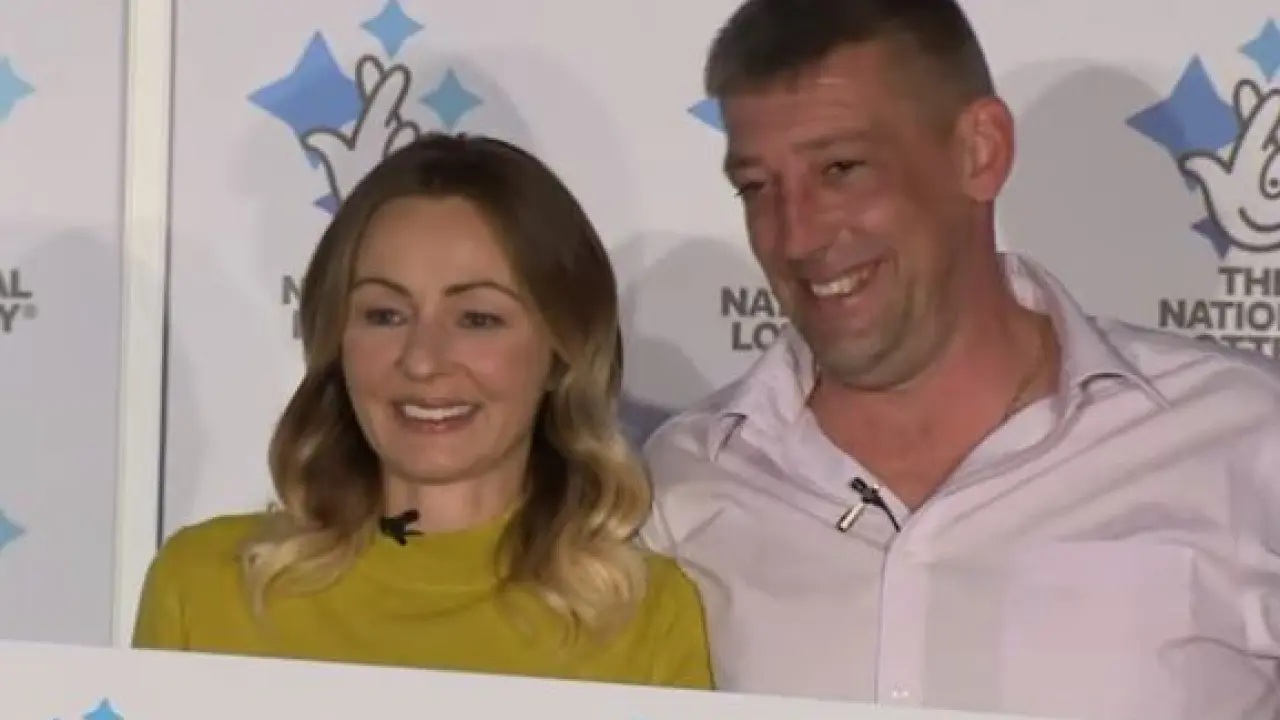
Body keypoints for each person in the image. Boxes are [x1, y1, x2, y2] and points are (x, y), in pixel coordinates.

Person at [640, 0, 1280, 718]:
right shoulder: (685, 480)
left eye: (842, 169)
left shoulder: (1244, 437)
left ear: (980, 151)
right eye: (758, 187)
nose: (797, 236)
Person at [133, 132, 713, 690]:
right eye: (385, 315)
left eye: (478, 319)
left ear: (563, 351)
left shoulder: (644, 616)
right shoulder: (205, 586)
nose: (421, 360)